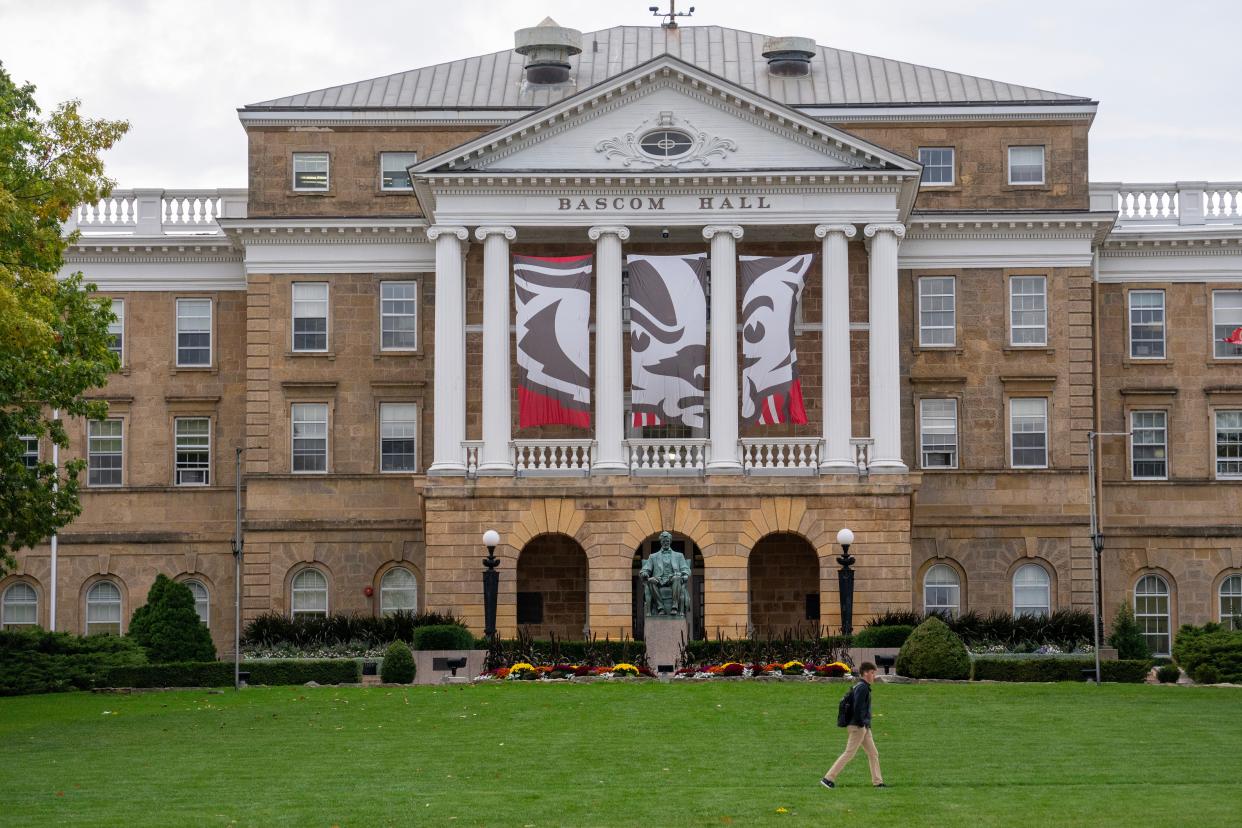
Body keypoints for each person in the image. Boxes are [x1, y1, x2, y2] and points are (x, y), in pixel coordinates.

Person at [821, 661, 885, 789]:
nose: (874, 676)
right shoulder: (862, 688)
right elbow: (857, 708)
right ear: (865, 673)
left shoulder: (861, 686)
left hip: (863, 727)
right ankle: (828, 778)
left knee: (873, 753)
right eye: (872, 673)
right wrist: (862, 724)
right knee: (849, 753)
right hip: (858, 726)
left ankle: (878, 782)